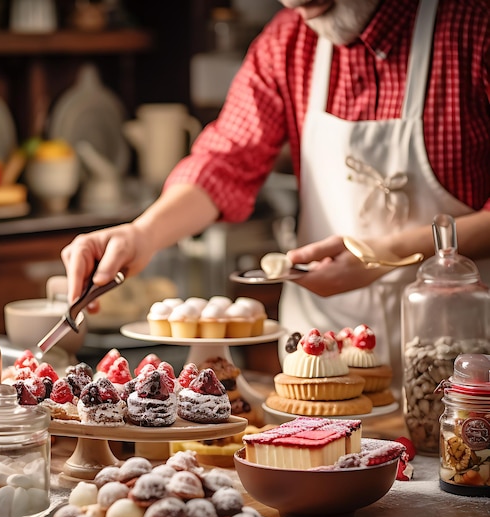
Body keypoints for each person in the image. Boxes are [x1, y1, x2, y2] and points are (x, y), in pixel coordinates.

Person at [61, 0, 490, 395]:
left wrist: (386, 252)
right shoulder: (288, 39)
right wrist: (143, 233)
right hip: (318, 355)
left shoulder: (474, 25)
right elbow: (226, 160)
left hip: (465, 360)